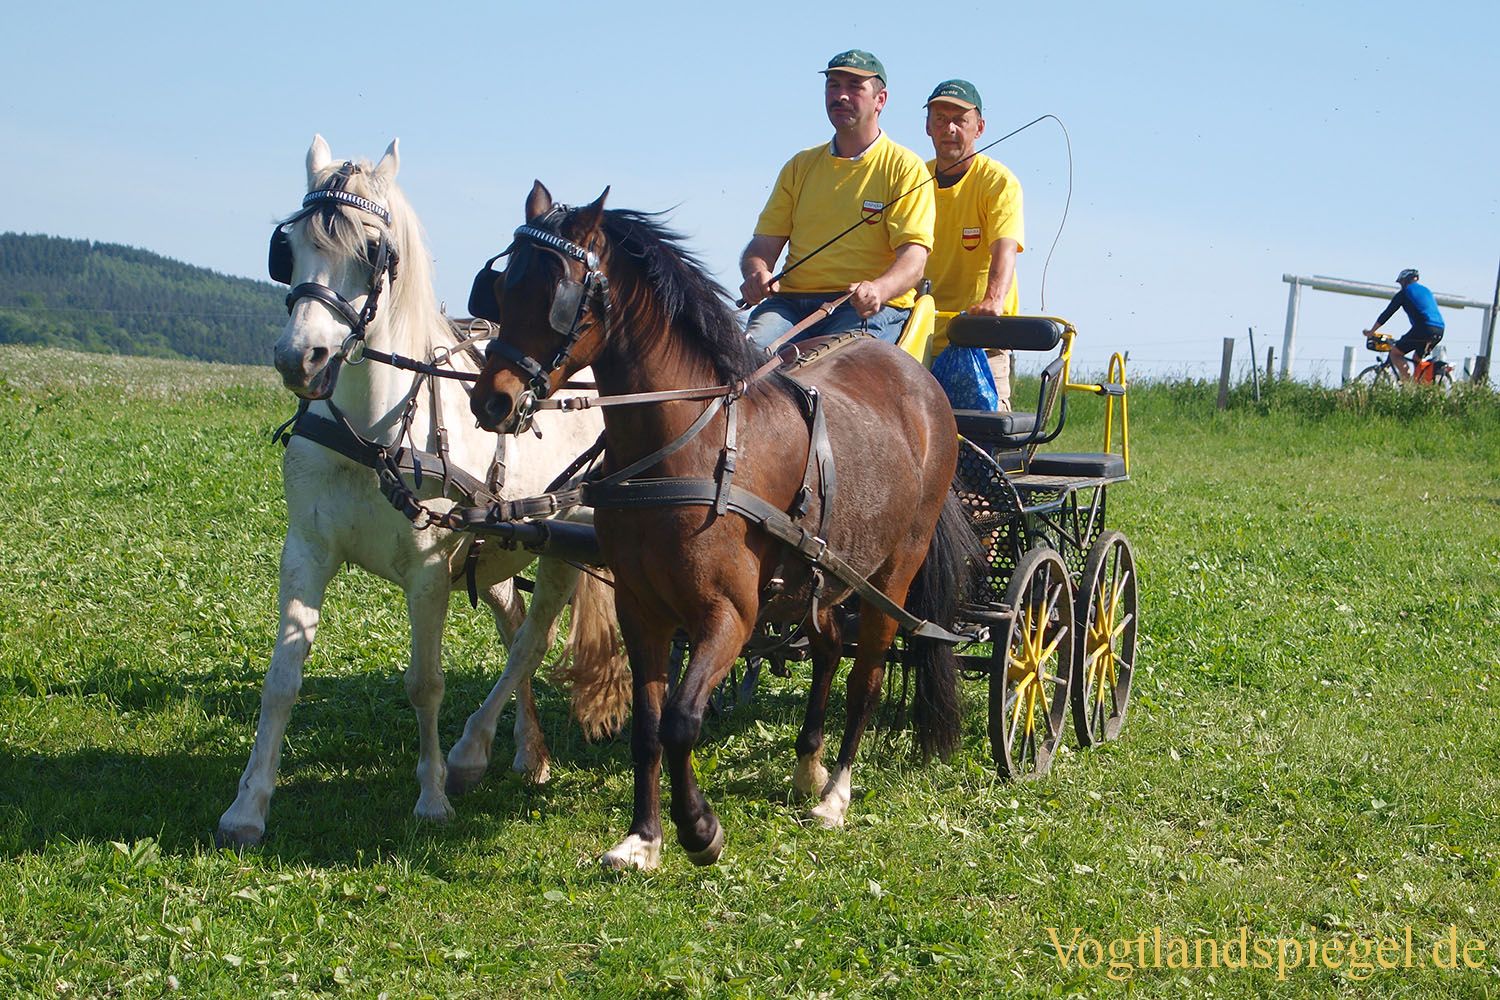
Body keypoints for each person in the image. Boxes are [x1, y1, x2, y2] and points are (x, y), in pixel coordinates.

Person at [739, 50, 935, 350]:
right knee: (742, 359)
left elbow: (914, 259)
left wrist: (878, 289)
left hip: (861, 309)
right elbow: (763, 245)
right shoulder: (800, 165)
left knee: (827, 372)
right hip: (789, 306)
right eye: (833, 85)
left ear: (880, 100)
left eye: (855, 86)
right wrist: (756, 273)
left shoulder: (904, 166)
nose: (841, 95)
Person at [922, 79, 1024, 411]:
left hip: (979, 339)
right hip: (919, 336)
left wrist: (992, 301)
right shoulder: (914, 180)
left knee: (983, 431)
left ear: (979, 128)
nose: (948, 128)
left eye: (959, 120)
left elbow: (1005, 247)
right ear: (927, 126)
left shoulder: (997, 182)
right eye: (939, 119)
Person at [1364, 268, 1445, 380]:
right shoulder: (1427, 291)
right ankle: (1421, 387)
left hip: (1424, 328)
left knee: (1395, 354)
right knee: (1417, 359)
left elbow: (1387, 314)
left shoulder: (1404, 293)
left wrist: (1371, 331)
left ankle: (1408, 387)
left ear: (1405, 281)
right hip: (1440, 329)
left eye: (1401, 282)